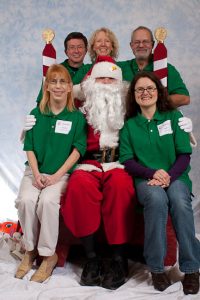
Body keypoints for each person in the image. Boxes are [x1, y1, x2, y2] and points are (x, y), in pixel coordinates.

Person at [119, 71, 200, 295]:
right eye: (140, 89)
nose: (145, 93)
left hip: (176, 176)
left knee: (180, 203)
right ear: (133, 95)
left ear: (158, 91)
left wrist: (168, 176)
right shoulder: (129, 125)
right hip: (146, 178)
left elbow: (184, 154)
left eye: (150, 88)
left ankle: (192, 269)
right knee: (155, 201)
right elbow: (127, 160)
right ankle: (156, 268)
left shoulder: (174, 117)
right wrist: (153, 173)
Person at [61, 61, 135, 290]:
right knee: (79, 186)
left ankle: (118, 258)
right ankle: (91, 257)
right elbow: (53, 101)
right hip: (88, 163)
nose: (106, 83)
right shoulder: (81, 104)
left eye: (111, 79)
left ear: (120, 84)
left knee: (122, 188)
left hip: (118, 163)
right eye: (101, 79)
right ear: (91, 82)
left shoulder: (128, 104)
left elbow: (154, 109)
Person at [15, 64, 87, 283]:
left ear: (69, 88)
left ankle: (48, 255)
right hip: (35, 171)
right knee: (26, 200)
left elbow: (77, 150)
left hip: (60, 174)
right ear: (46, 86)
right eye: (53, 82)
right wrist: (36, 174)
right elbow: (29, 147)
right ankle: (29, 251)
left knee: (47, 202)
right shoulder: (36, 114)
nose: (57, 86)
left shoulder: (76, 117)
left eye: (62, 82)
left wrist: (56, 176)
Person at [117, 26, 190, 109]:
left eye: (145, 42)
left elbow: (184, 98)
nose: (141, 45)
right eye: (137, 42)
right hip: (129, 120)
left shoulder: (167, 68)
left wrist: (152, 102)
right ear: (131, 45)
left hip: (158, 119)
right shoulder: (119, 68)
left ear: (152, 44)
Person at [36, 31, 88, 104]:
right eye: (72, 47)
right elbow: (42, 102)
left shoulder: (90, 71)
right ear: (66, 52)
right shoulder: (54, 71)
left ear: (86, 50)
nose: (76, 51)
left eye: (80, 47)